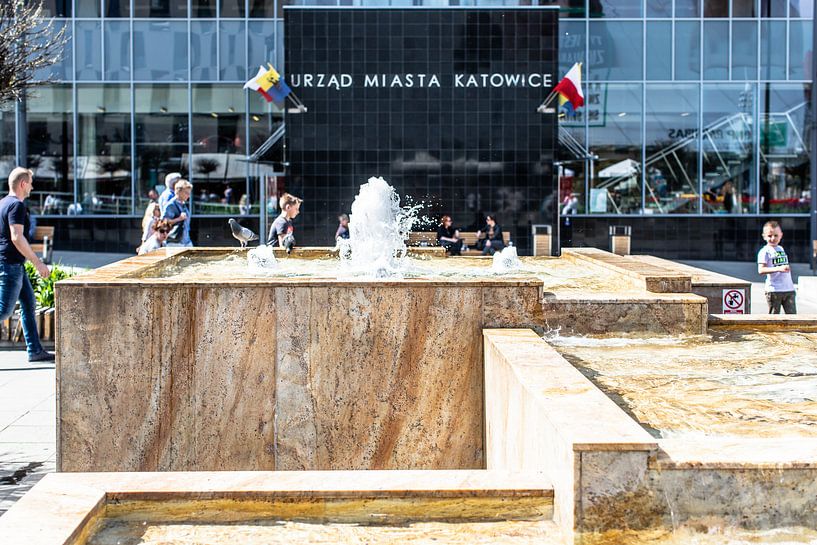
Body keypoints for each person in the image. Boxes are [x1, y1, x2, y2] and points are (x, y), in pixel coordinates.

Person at [0, 168, 54, 363]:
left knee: (28, 304)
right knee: (4, 311)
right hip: (10, 265)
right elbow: (17, 237)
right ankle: (34, 349)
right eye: (30, 182)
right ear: (23, 184)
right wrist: (38, 262)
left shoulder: (3, 203)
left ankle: (35, 350)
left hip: (13, 265)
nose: (32, 186)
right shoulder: (16, 206)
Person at [757, 220, 796, 314]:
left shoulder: (780, 248)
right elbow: (761, 270)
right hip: (774, 290)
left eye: (776, 235)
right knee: (774, 318)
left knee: (793, 317)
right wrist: (778, 269)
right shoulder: (764, 251)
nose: (773, 238)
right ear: (764, 236)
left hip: (788, 289)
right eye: (769, 236)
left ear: (781, 235)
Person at [163, 179, 193, 247]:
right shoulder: (171, 205)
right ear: (179, 192)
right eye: (186, 193)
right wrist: (179, 218)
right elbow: (164, 222)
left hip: (186, 240)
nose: (188, 196)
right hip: (175, 241)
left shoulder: (183, 204)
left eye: (189, 193)